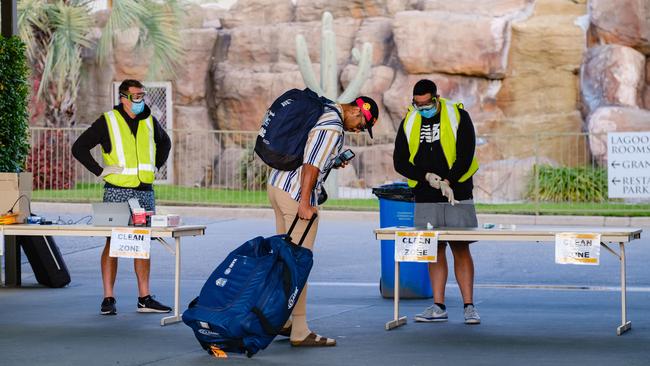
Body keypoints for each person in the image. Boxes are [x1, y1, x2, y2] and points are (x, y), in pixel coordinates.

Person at [267, 94, 379, 346]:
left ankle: (284, 320)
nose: (359, 131)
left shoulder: (322, 111)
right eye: (362, 126)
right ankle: (300, 330)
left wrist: (332, 162)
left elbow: (310, 154)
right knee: (299, 262)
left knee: (286, 260)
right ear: (357, 111)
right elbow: (311, 165)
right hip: (296, 194)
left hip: (277, 187)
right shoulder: (333, 126)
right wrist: (305, 203)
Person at [72, 79, 172, 316]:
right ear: (123, 98)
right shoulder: (109, 121)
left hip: (144, 191)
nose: (141, 100)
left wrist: (155, 166)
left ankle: (144, 298)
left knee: (142, 243)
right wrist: (99, 170)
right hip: (117, 190)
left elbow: (165, 143)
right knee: (112, 242)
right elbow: (79, 147)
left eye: (142, 95)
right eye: (136, 96)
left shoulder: (149, 120)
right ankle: (108, 298)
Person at [393, 79, 481, 325]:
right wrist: (426, 178)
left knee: (460, 247)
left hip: (457, 192)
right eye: (417, 104)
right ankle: (438, 305)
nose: (422, 108)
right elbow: (399, 161)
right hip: (425, 194)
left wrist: (448, 181)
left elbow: (466, 154)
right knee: (434, 249)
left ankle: (469, 306)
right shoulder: (409, 121)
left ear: (436, 98)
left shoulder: (458, 115)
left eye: (426, 103)